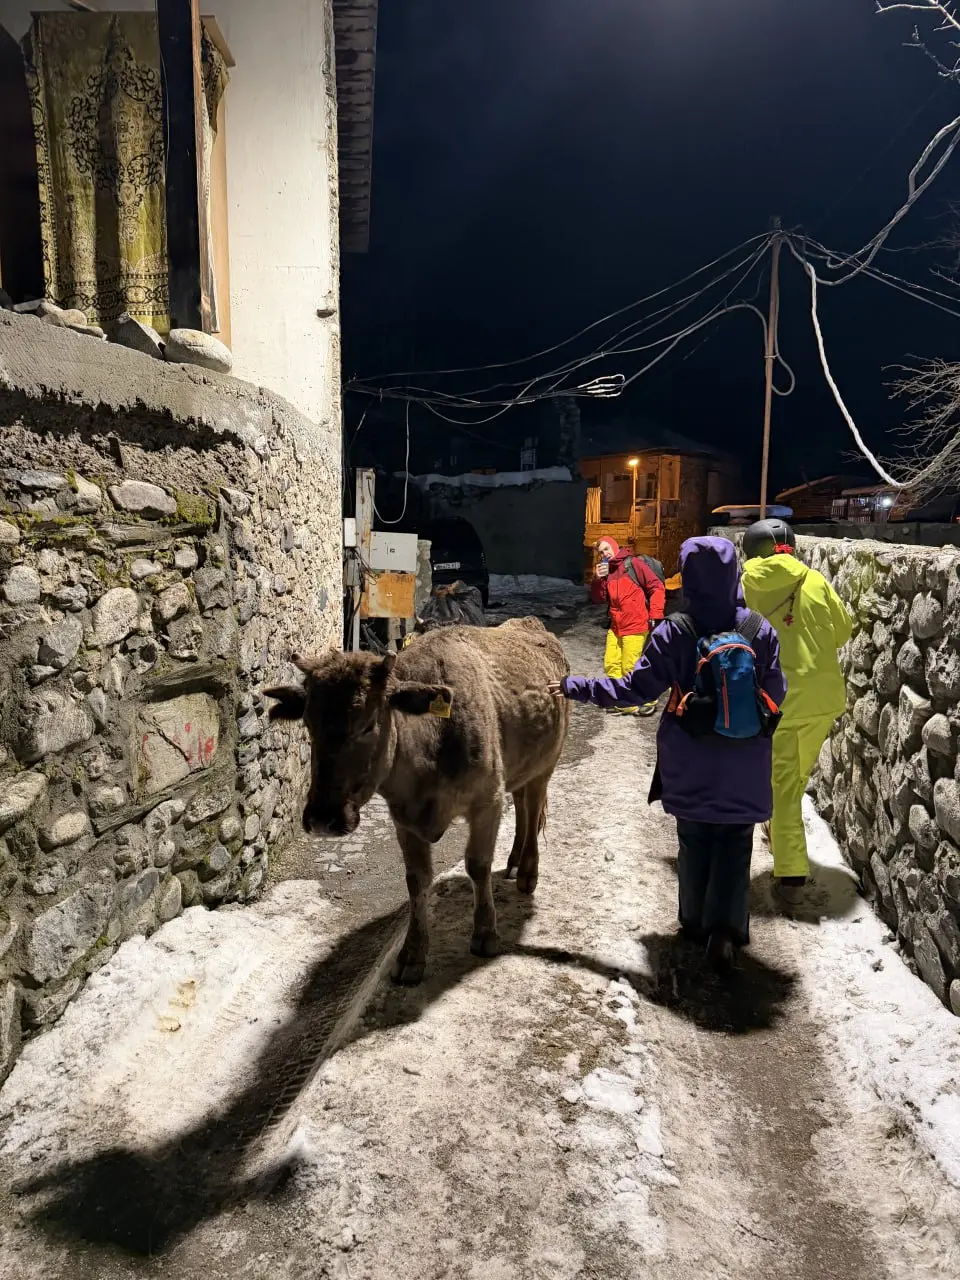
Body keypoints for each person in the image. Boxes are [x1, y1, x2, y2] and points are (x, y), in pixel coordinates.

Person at [551, 536, 786, 969]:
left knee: (694, 842)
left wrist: (575, 686)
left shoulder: (674, 632)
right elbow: (776, 692)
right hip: (746, 762)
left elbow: (632, 689)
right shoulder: (759, 629)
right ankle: (726, 931)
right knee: (735, 845)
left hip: (689, 758)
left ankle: (695, 924)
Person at [740, 519, 852, 909]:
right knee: (793, 777)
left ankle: (790, 871)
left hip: (780, 701)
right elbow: (842, 631)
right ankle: (779, 832)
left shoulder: (746, 584)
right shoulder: (816, 580)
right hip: (823, 698)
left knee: (784, 784)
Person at [590, 537, 666, 717]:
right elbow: (598, 599)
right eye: (601, 552)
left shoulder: (633, 564)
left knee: (630, 667)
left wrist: (656, 614)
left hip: (636, 623)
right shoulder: (607, 571)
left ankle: (649, 699)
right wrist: (597, 579)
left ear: (615, 547)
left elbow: (656, 587)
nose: (605, 553)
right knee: (611, 664)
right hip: (616, 625)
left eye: (607, 548)